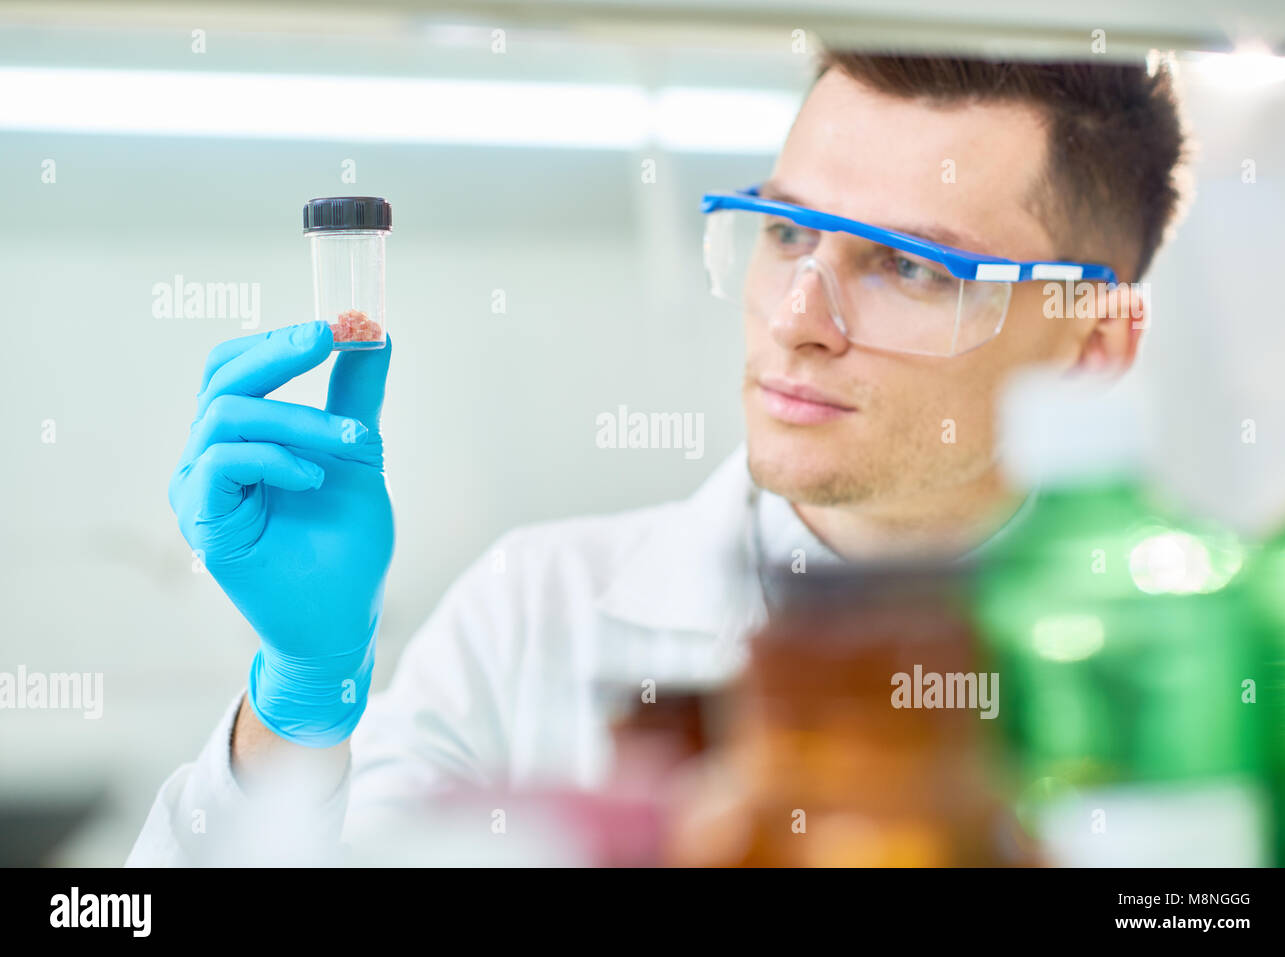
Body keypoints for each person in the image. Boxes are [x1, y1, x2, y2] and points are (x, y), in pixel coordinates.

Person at [126, 50, 1187, 865]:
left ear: (1092, 341)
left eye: (910, 268)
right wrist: (298, 705)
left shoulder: (1203, 652)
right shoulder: (533, 613)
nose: (798, 320)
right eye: (783, 232)